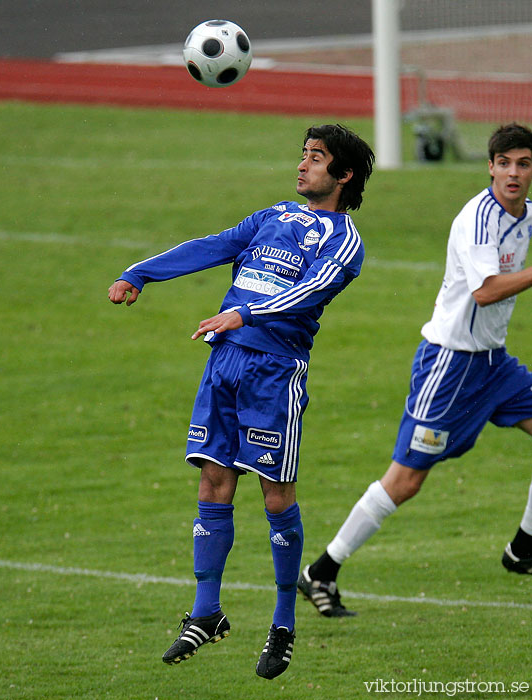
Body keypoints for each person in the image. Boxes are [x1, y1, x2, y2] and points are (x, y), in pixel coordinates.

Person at [108, 124, 374, 678]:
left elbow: (311, 291)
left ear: (343, 176)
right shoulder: (273, 215)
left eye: (316, 159)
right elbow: (215, 245)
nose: (302, 166)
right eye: (303, 156)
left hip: (274, 372)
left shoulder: (343, 238)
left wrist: (245, 313)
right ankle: (207, 612)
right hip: (224, 360)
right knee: (212, 481)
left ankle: (282, 623)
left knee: (276, 497)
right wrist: (142, 273)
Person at [298, 122, 532, 619]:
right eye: (505, 163)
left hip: (493, 364)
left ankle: (523, 549)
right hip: (449, 366)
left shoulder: (525, 215)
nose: (513, 173)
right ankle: (322, 569)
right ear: (489, 167)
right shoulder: (478, 220)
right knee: (405, 481)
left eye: (524, 163)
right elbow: (486, 290)